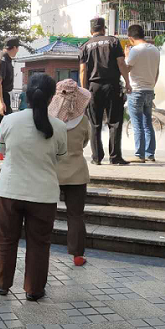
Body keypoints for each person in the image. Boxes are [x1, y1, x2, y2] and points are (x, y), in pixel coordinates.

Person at [0, 73, 67, 301]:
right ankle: (34, 289)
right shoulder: (59, 126)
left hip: (9, 190)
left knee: (5, 239)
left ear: (27, 94)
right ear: (51, 98)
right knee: (39, 243)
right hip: (43, 194)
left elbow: (1, 149)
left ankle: (1, 283)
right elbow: (60, 156)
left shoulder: (9, 121)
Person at [49, 79, 91, 266]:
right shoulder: (83, 120)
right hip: (77, 173)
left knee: (46, 213)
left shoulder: (49, 120)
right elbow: (85, 142)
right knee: (75, 215)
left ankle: (43, 248)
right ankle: (77, 255)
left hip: (52, 171)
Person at [79, 17, 131, 165]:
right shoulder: (113, 41)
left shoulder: (85, 46)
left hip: (93, 87)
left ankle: (96, 158)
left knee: (95, 124)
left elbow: (83, 70)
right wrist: (127, 82)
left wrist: (84, 90)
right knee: (114, 122)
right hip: (112, 86)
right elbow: (121, 63)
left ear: (91, 31)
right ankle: (115, 157)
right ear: (103, 29)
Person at [124, 24, 160, 163]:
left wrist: (126, 56)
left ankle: (139, 155)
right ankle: (150, 154)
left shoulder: (135, 50)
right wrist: (151, 85)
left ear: (130, 38)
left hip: (136, 91)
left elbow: (126, 69)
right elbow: (157, 72)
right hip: (149, 90)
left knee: (137, 124)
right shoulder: (155, 50)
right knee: (147, 123)